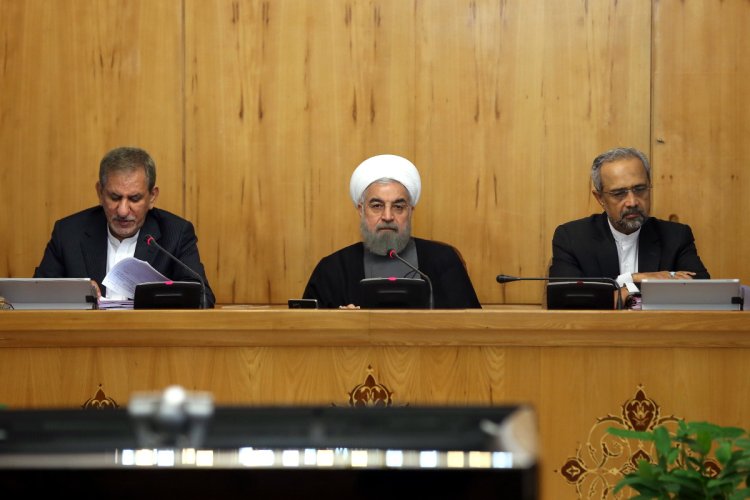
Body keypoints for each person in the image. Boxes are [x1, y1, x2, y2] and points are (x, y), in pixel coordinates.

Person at [34, 146, 216, 307]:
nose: (122, 211)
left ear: (152, 197)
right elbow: (36, 296)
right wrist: (75, 292)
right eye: (114, 197)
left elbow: (203, 298)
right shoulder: (68, 233)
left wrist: (156, 297)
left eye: (134, 199)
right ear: (100, 193)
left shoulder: (176, 233)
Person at [303, 154, 481, 309]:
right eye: (377, 206)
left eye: (398, 206)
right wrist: (343, 323)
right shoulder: (332, 269)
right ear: (361, 210)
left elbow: (473, 328)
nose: (387, 216)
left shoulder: (443, 261)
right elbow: (309, 329)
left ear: (410, 211)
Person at [549, 147, 709, 294]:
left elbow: (702, 291)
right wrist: (633, 278)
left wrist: (627, 287)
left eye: (640, 189)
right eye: (619, 193)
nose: (632, 202)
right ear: (600, 198)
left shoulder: (675, 236)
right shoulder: (572, 238)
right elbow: (565, 298)